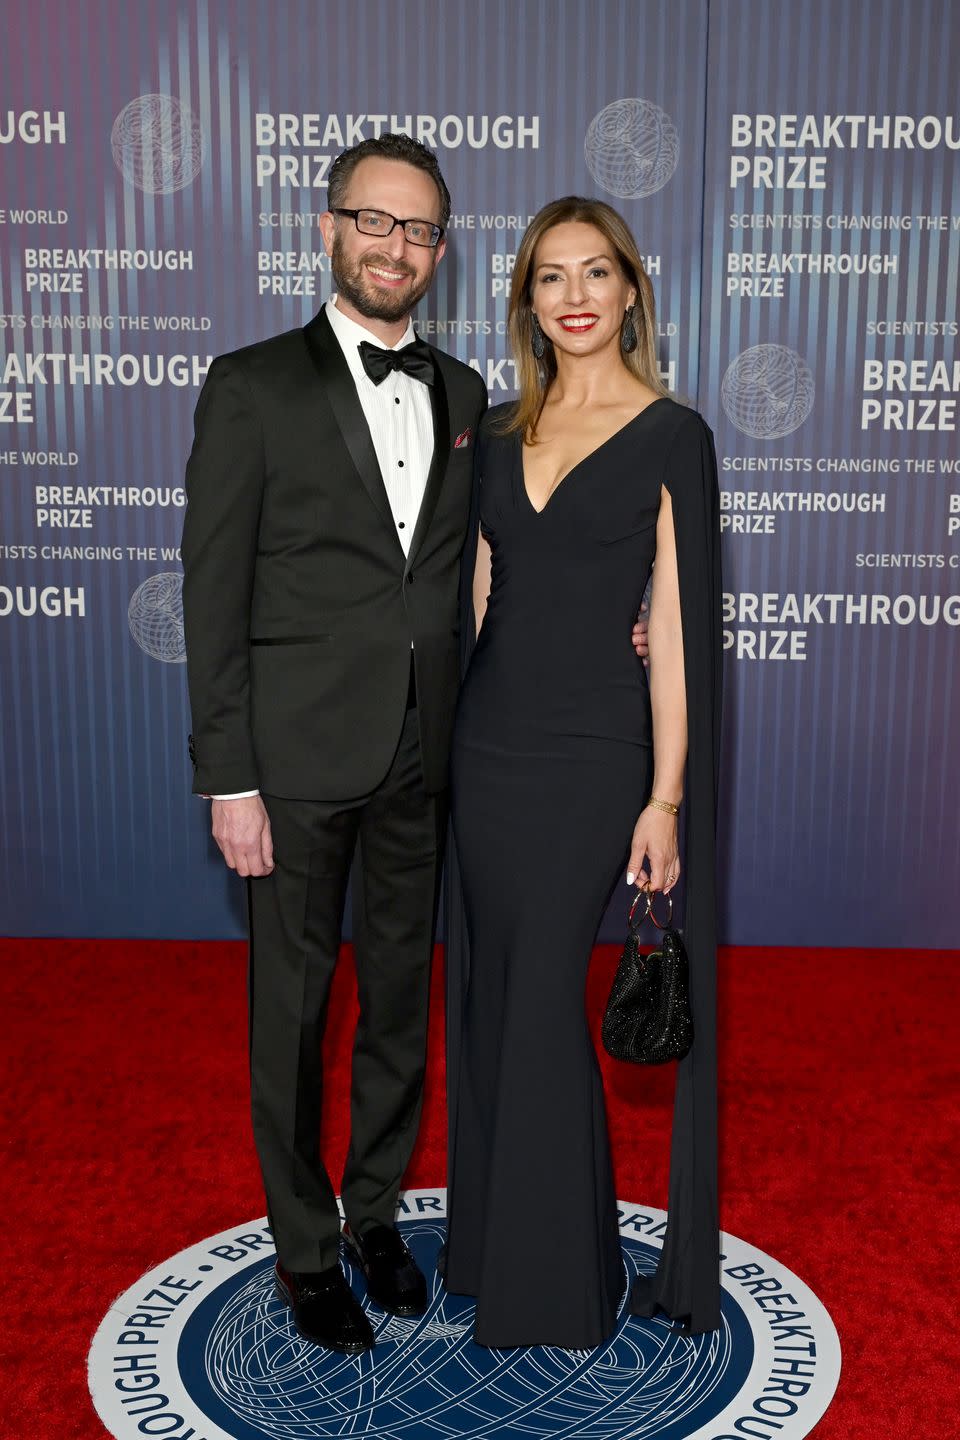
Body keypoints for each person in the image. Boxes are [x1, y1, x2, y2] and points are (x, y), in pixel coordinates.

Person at [181, 134, 489, 1355]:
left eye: (417, 230)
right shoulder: (252, 385)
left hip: (426, 755)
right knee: (293, 1019)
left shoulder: (463, 395)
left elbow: (469, 573)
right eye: (374, 221)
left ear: (442, 250)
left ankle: (373, 1216)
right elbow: (213, 595)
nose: (394, 248)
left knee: (402, 1011)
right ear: (327, 229)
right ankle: (304, 1249)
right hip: (293, 764)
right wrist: (230, 776)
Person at [443, 196, 722, 1349]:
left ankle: (556, 1290)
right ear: (527, 301)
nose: (573, 296)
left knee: (549, 986)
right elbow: (469, 606)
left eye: (595, 274)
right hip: (488, 746)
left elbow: (677, 637)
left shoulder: (674, 436)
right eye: (550, 277)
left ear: (631, 293)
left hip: (599, 753)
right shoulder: (498, 436)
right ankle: (495, 1244)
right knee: (496, 989)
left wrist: (664, 797)